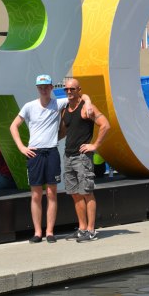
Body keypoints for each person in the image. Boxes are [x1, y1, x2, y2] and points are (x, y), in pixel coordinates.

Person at [10, 74, 92, 244]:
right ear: (37, 88)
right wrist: (21, 147)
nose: (44, 89)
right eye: (41, 87)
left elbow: (80, 95)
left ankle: (49, 231)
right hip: (35, 154)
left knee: (51, 193)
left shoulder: (58, 102)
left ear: (51, 88)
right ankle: (37, 232)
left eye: (47, 86)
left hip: (52, 152)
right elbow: (13, 126)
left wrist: (89, 101)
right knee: (36, 194)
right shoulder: (29, 106)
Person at [60, 78, 110, 242]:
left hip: (82, 158)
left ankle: (91, 230)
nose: (69, 92)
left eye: (72, 89)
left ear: (78, 89)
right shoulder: (66, 108)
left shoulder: (86, 108)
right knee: (75, 194)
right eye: (66, 89)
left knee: (87, 193)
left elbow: (105, 125)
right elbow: (65, 132)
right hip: (68, 156)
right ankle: (82, 228)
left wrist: (94, 145)